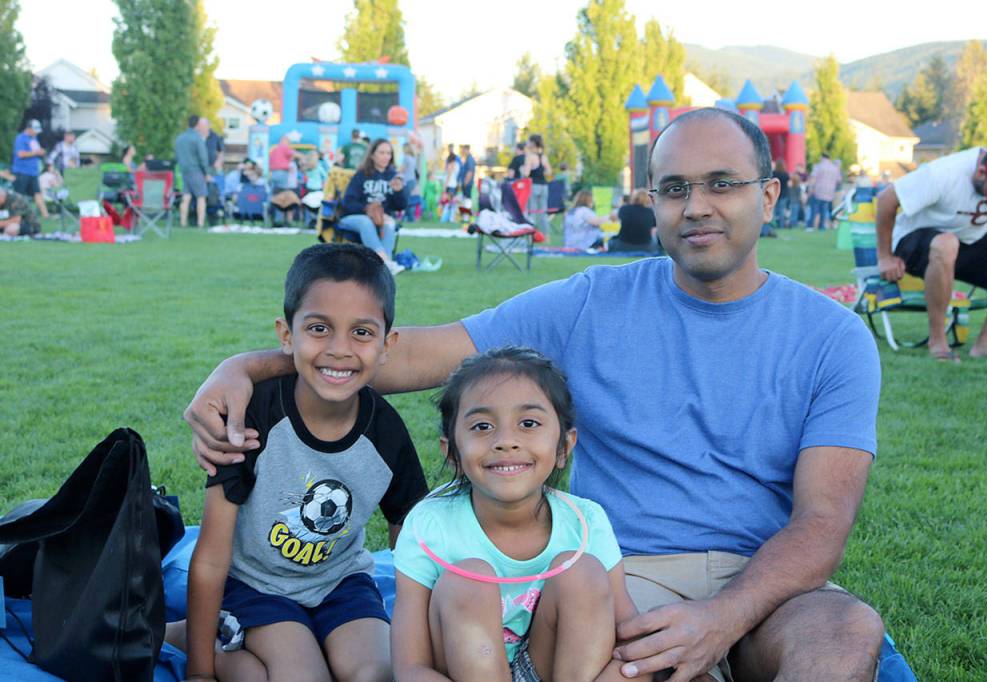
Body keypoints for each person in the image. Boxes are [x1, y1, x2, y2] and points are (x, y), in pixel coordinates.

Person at [186, 107, 885, 682]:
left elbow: (822, 522)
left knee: (847, 633)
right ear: (653, 201)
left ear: (768, 195)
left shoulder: (832, 337)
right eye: (674, 188)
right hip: (616, 575)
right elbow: (416, 354)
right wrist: (244, 369)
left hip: (765, 583)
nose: (696, 207)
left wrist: (723, 618)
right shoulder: (593, 303)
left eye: (721, 184)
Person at [183, 243, 428, 682]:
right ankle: (213, 648)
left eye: (361, 332)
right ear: (286, 335)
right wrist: (200, 673)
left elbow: (410, 539)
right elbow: (210, 558)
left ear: (386, 344)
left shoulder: (387, 433)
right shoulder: (252, 416)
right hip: (258, 586)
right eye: (319, 328)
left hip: (342, 583)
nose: (339, 349)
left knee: (378, 674)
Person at [391, 347, 645, 682]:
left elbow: (629, 641)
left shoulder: (586, 522)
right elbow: (410, 668)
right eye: (482, 426)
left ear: (564, 447)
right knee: (468, 579)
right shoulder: (430, 525)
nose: (506, 441)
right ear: (452, 452)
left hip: (553, 668)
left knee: (582, 572)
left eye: (528, 423)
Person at [875, 146, 987, 361]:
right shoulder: (944, 173)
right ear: (981, 172)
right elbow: (886, 199)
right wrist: (885, 257)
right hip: (913, 241)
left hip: (966, 241)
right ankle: (938, 341)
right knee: (946, 243)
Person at [340, 139, 407, 275]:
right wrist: (367, 209)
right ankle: (385, 262)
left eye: (388, 153)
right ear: (372, 155)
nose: (386, 157)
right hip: (353, 218)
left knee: (390, 222)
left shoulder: (392, 176)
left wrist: (398, 192)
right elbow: (348, 203)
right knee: (366, 221)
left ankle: (384, 267)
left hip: (380, 219)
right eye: (381, 153)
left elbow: (400, 206)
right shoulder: (361, 175)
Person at [175, 115, 213, 228]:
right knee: (201, 197)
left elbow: (177, 155)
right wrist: (207, 173)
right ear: (197, 124)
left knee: (186, 197)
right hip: (196, 171)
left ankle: (183, 222)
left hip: (184, 171)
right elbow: (203, 157)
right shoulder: (197, 138)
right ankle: (200, 223)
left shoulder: (180, 138)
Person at [11, 119, 49, 219]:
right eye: (34, 130)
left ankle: (46, 215)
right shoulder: (20, 138)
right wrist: (36, 152)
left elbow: (35, 151)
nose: (36, 133)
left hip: (33, 172)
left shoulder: (34, 138)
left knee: (37, 193)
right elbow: (20, 154)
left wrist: (41, 152)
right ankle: (16, 215)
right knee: (18, 195)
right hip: (21, 171)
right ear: (29, 128)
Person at [524, 134, 552, 236]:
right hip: (544, 186)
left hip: (533, 186)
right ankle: (546, 235)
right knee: (543, 212)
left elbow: (526, 174)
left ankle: (532, 235)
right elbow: (549, 172)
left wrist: (523, 169)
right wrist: (541, 172)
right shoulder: (543, 157)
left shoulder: (530, 157)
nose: (527, 143)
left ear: (532, 143)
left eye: (528, 141)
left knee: (532, 211)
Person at [806, 153, 841, 230]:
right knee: (824, 210)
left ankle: (810, 226)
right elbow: (838, 180)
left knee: (814, 210)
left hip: (818, 191)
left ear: (822, 157)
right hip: (829, 193)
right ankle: (821, 226)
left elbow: (813, 179)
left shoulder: (818, 166)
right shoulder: (834, 168)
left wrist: (810, 189)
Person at [771, 159, 790, 228]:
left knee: (774, 210)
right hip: (784, 194)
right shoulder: (786, 174)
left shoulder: (774, 173)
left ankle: (773, 225)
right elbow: (788, 185)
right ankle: (781, 225)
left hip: (775, 193)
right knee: (781, 211)